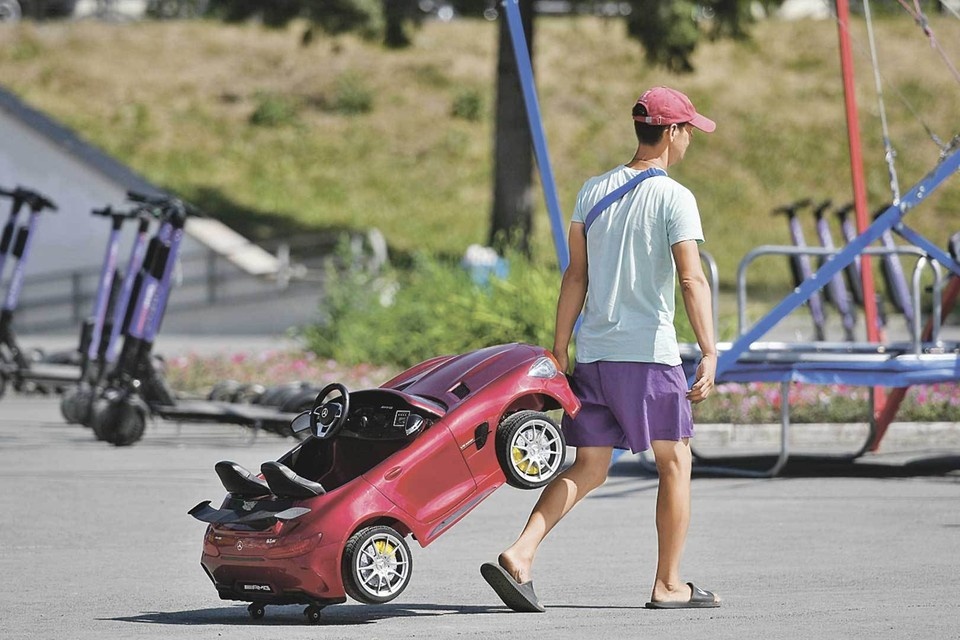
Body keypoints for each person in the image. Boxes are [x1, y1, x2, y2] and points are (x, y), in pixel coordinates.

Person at [480, 86, 719, 612]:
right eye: (689, 132)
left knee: (589, 465)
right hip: (648, 356)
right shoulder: (675, 197)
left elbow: (575, 275)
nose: (689, 142)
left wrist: (560, 348)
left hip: (593, 353)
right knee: (675, 461)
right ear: (673, 133)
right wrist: (709, 351)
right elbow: (691, 279)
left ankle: (521, 552)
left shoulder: (592, 190)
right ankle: (669, 583)